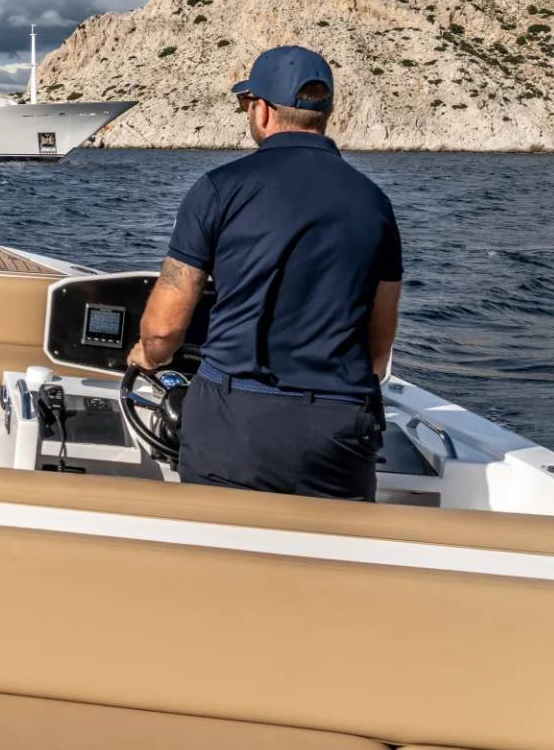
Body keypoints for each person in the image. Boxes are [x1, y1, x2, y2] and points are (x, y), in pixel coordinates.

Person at [126, 46, 402, 501]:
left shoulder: (218, 190)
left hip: (236, 425)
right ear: (326, 113)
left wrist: (149, 357)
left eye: (247, 103)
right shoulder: (376, 204)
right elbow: (379, 344)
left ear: (264, 111)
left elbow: (164, 329)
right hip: (340, 432)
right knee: (331, 546)